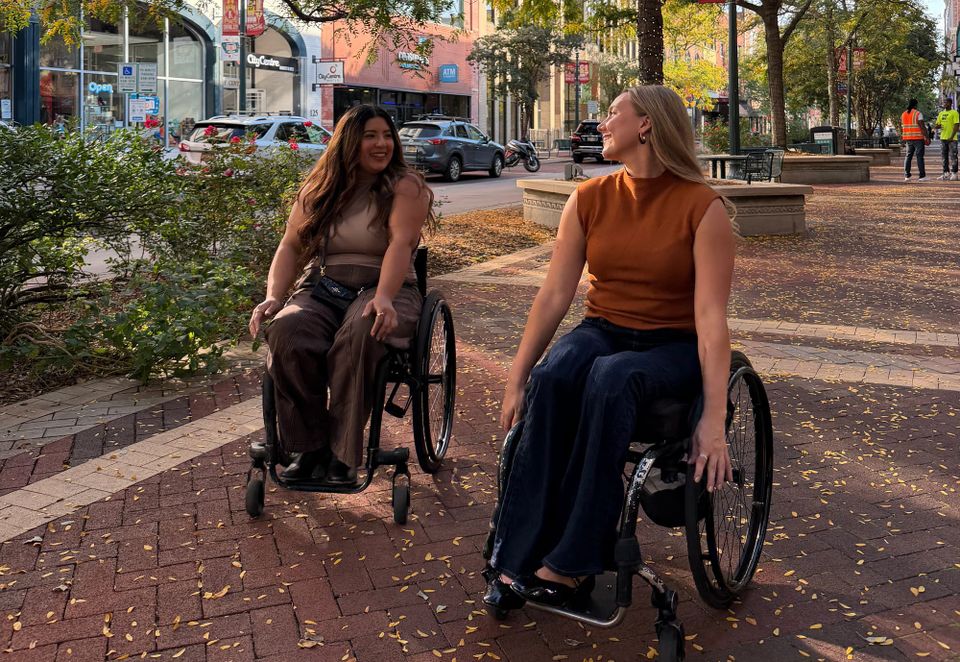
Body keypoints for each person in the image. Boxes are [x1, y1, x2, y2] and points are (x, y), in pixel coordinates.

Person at [483, 85, 736, 612]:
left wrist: (713, 419)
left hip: (672, 343)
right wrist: (517, 377)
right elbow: (555, 294)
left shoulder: (702, 208)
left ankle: (573, 562)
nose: (601, 124)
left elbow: (711, 319)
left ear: (646, 125)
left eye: (612, 114)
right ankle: (515, 557)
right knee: (554, 375)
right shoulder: (589, 198)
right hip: (603, 327)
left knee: (611, 376)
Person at [248, 104, 434, 486]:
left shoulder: (405, 186)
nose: (382, 144)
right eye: (370, 136)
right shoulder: (320, 187)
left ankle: (342, 453)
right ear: (348, 142)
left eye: (387, 135)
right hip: (325, 284)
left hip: (386, 286)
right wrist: (274, 296)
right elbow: (290, 246)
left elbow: (401, 244)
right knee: (287, 330)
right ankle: (308, 447)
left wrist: (384, 297)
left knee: (361, 332)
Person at [902, 99, 928, 182]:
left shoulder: (903, 114)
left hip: (908, 138)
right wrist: (927, 137)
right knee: (919, 157)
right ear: (916, 105)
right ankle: (922, 176)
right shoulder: (918, 113)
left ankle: (907, 176)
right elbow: (922, 126)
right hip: (918, 138)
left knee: (908, 156)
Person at [934, 98, 959, 180]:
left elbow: (956, 125)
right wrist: (937, 126)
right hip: (943, 138)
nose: (944, 103)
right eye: (943, 102)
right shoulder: (941, 113)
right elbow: (937, 125)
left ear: (950, 103)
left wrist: (951, 137)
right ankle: (946, 173)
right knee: (944, 157)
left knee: (953, 156)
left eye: (946, 102)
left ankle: (954, 174)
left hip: (952, 139)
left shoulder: (954, 113)